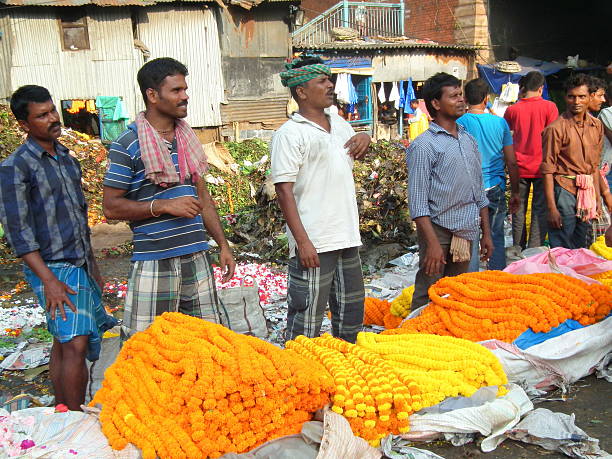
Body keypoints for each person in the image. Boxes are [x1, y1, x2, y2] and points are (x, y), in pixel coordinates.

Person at [0, 85, 117, 411]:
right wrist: (49, 280)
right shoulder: (16, 167)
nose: (53, 118)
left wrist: (92, 266)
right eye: (42, 115)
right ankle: (74, 416)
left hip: (77, 263)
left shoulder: (66, 159)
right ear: (24, 124)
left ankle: (61, 409)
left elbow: (79, 218)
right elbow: (18, 232)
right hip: (50, 267)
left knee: (62, 340)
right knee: (76, 343)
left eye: (52, 110)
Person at [103, 58, 235, 338]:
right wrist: (163, 205)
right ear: (152, 95)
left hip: (196, 255)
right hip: (154, 258)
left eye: (185, 89)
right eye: (176, 90)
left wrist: (223, 245)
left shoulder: (187, 139)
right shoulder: (127, 145)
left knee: (209, 342)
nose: (185, 96)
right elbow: (111, 207)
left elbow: (205, 200)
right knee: (146, 346)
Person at [271, 56, 370, 343]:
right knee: (306, 321)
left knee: (351, 315)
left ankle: (346, 374)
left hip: (346, 236)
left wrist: (365, 135)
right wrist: (302, 242)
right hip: (315, 241)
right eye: (322, 81)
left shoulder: (340, 124)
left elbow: (354, 152)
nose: (330, 85)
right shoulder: (290, 134)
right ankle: (301, 378)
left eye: (330, 79)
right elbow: (283, 190)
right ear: (301, 91)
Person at [407, 73, 493, 310]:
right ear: (436, 103)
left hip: (467, 229)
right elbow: (417, 202)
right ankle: (417, 338)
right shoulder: (424, 145)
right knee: (428, 292)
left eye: (460, 95)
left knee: (457, 292)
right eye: (453, 96)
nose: (460, 100)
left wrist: (486, 232)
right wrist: (432, 244)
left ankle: (447, 338)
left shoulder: (467, 139)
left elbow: (479, 191)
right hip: (438, 230)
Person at [541, 73, 612, 249]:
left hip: (587, 191)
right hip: (563, 190)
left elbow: (594, 166)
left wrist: (598, 197)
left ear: (589, 97)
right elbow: (548, 171)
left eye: (581, 96)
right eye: (571, 97)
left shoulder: (596, 126)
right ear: (566, 98)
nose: (576, 101)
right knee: (562, 246)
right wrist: (552, 208)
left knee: (581, 245)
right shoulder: (556, 129)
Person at [457, 78, 520, 271]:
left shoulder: (459, 123)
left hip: (468, 188)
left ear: (465, 98)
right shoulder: (500, 123)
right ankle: (497, 278)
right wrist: (515, 192)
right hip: (495, 187)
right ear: (486, 99)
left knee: (471, 236)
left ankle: (473, 281)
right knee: (495, 234)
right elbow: (511, 160)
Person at [504, 71, 558, 249]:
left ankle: (518, 248)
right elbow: (554, 137)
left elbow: (507, 136)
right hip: (543, 167)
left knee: (518, 208)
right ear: (541, 88)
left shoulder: (512, 110)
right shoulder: (550, 108)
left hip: (518, 167)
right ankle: (534, 250)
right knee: (539, 210)